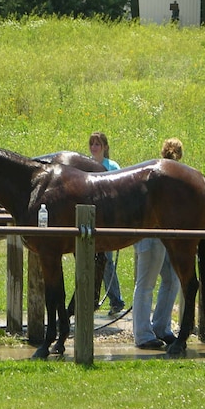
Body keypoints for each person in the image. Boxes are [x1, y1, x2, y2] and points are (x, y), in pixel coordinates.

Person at [132, 138, 184, 349]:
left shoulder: (167, 174)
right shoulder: (165, 175)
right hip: (151, 234)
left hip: (165, 237)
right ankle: (143, 334)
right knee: (146, 283)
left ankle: (161, 326)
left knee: (172, 279)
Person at [87, 132, 126, 316]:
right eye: (92, 144)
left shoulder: (112, 167)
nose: (94, 147)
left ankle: (116, 299)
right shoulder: (85, 165)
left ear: (105, 147)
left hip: (108, 220)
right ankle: (91, 298)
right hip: (89, 218)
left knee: (107, 262)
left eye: (98, 144)